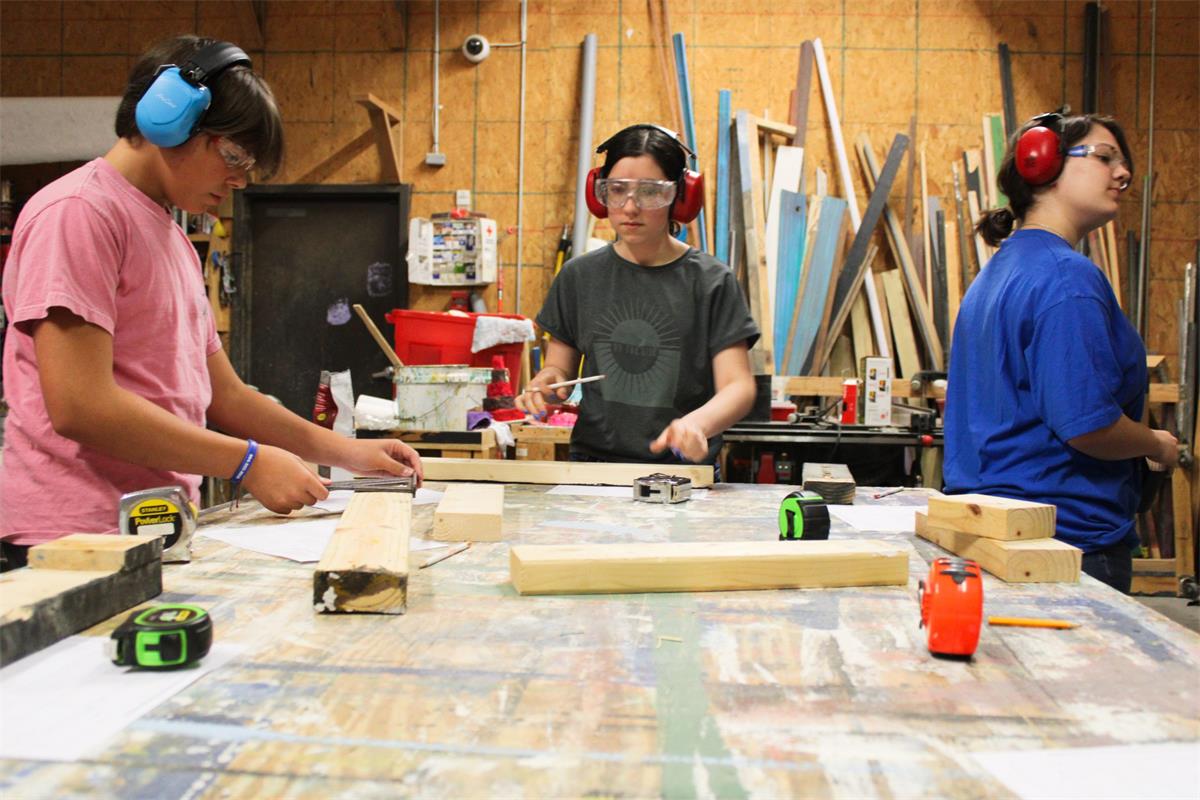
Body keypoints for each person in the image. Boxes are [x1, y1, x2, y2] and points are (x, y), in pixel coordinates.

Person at [0, 36, 422, 567]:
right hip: (72, 540)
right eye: (233, 155)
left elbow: (225, 396)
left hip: (155, 527)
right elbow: (81, 405)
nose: (240, 179)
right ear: (167, 118)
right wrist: (245, 462)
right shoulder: (79, 214)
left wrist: (348, 454)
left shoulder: (173, 238)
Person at [944, 112, 1179, 593]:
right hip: (1063, 546)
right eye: (1104, 157)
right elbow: (1088, 426)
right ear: (1042, 164)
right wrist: (1157, 443)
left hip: (993, 533)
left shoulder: (998, 272)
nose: (1123, 173)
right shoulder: (1066, 278)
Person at [516, 124, 759, 470]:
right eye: (617, 190)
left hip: (681, 470)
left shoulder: (711, 282)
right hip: (593, 467)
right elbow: (559, 368)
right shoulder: (578, 277)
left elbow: (738, 386)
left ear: (680, 196)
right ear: (599, 194)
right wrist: (548, 384)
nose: (630, 207)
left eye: (649, 192)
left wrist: (698, 424)